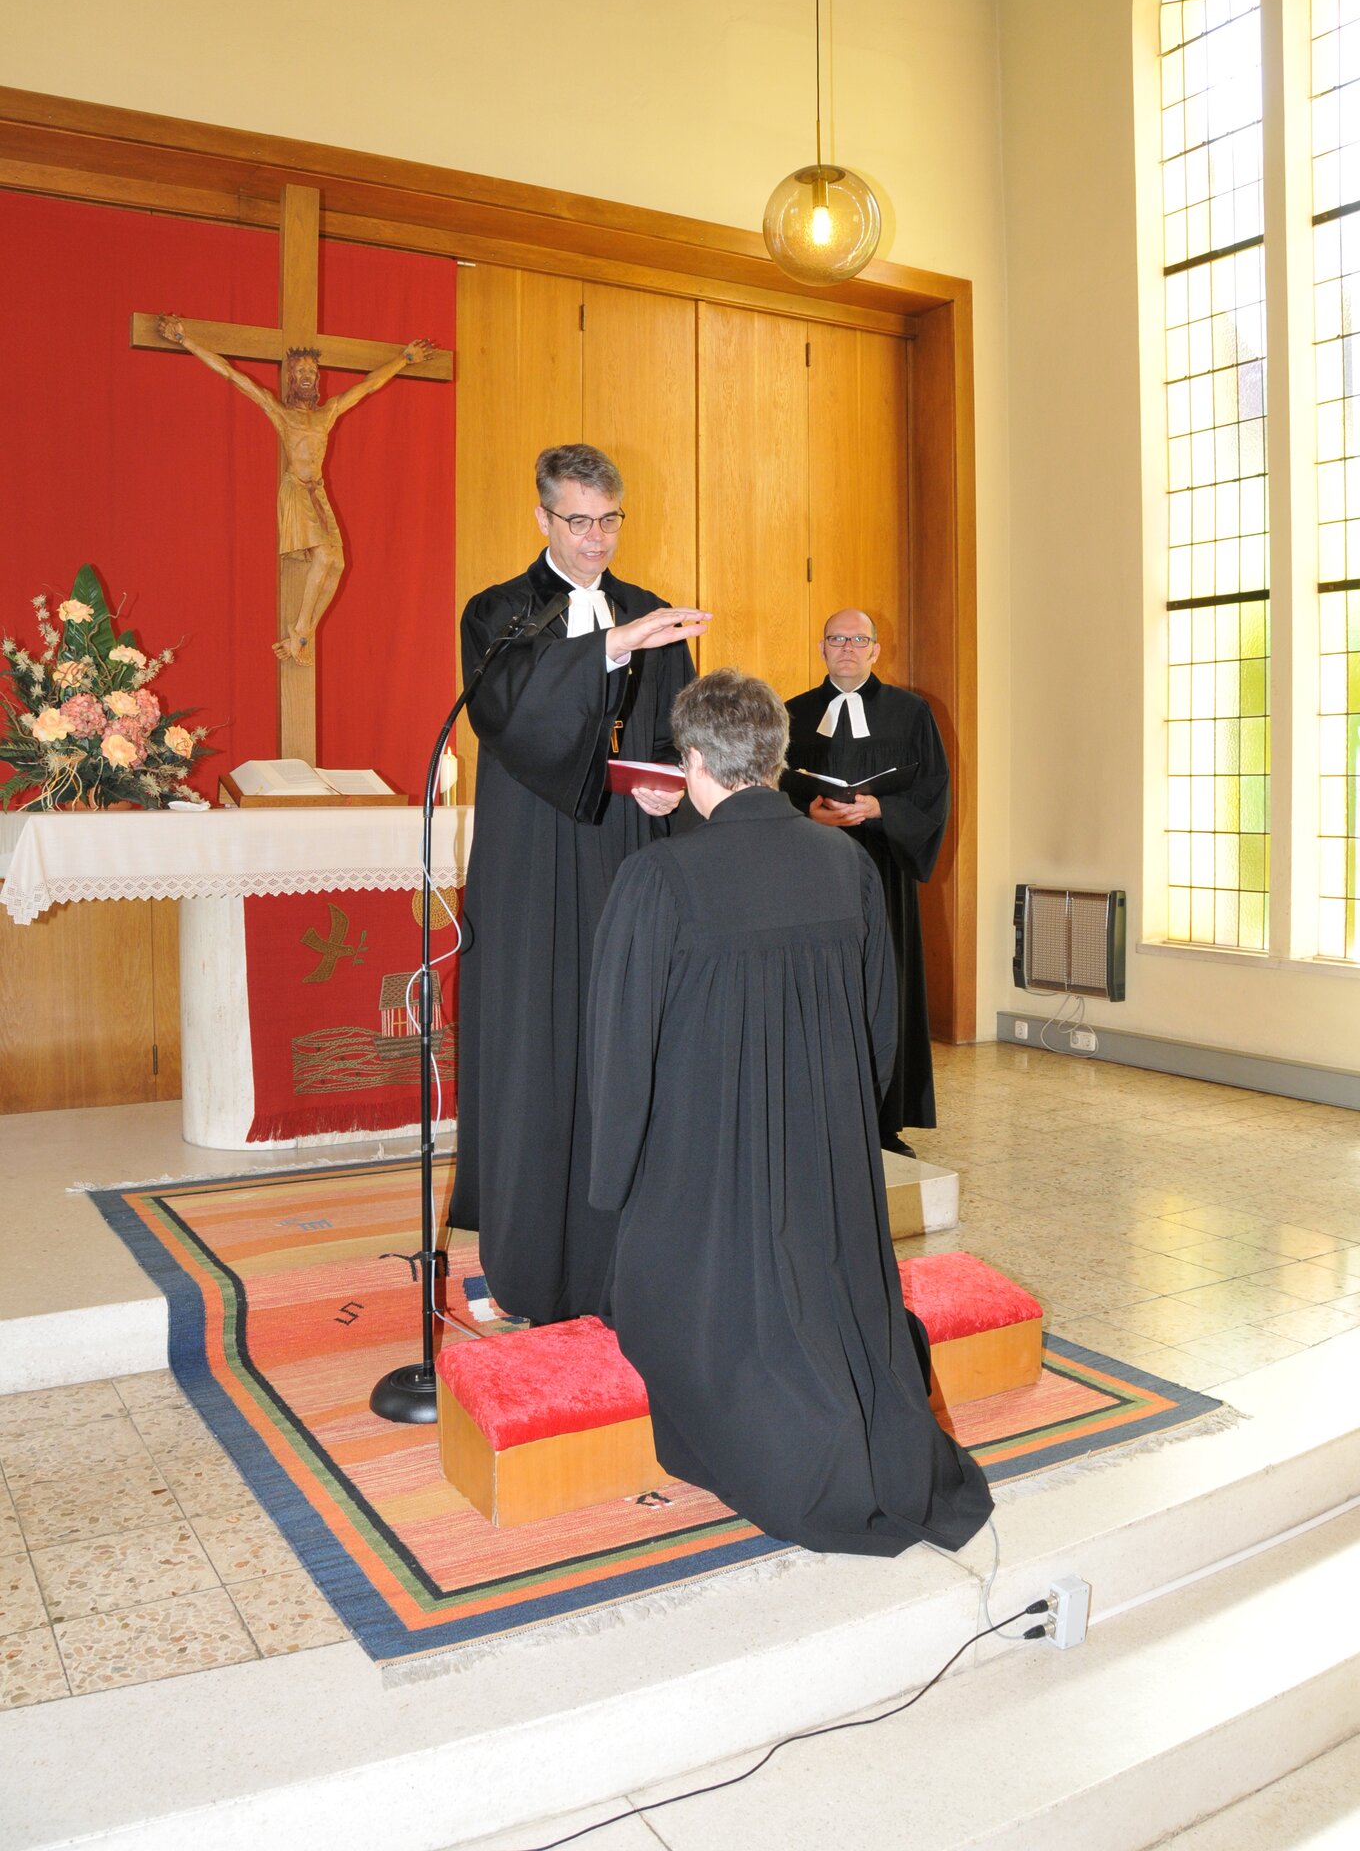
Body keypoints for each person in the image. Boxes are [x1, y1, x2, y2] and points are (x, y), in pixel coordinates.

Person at [588, 669, 991, 1558]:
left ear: (692, 760)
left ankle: (765, 1443)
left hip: (704, 1160)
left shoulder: (658, 877)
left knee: (659, 1294)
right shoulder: (844, 862)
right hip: (823, 1146)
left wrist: (616, 1177)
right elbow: (881, 1024)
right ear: (777, 757)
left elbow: (620, 1048)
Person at [448, 444, 708, 1325]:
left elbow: (676, 733)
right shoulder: (499, 612)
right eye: (578, 522)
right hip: (531, 864)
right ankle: (525, 1268)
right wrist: (611, 645)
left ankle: (627, 1257)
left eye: (609, 521)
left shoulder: (650, 612)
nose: (597, 540)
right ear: (542, 519)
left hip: (630, 854)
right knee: (535, 1048)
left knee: (625, 1042)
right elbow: (508, 716)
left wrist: (681, 780)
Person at [155, 316, 436, 665]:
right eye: (300, 372)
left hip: (317, 493)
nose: (306, 377)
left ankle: (303, 634)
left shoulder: (327, 412)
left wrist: (404, 359)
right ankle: (300, 630)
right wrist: (186, 341)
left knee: (338, 562)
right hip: (296, 491)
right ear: (290, 378)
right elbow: (232, 374)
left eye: (311, 373)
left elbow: (367, 386)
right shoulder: (281, 412)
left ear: (317, 380)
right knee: (323, 555)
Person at [784, 610, 950, 1156]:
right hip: (811, 871)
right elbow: (771, 782)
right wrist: (808, 811)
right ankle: (815, 1112)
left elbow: (932, 791)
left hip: (884, 870)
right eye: (837, 639)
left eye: (858, 640)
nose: (847, 648)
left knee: (884, 988)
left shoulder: (911, 713)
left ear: (876, 650)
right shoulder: (792, 715)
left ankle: (882, 1121)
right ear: (822, 648)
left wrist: (882, 807)